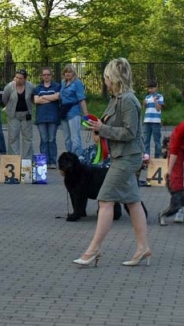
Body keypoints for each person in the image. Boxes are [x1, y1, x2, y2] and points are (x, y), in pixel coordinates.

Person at [74, 58, 150, 267]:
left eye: (107, 77)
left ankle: (93, 250)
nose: (105, 81)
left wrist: (103, 129)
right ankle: (143, 248)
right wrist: (97, 127)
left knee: (105, 200)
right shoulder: (117, 99)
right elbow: (107, 123)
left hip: (127, 157)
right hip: (121, 155)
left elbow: (130, 132)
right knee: (133, 202)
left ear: (115, 78)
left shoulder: (127, 100)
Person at [2, 69, 34, 160]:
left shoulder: (31, 86)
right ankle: (14, 160)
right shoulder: (9, 87)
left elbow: (33, 99)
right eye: (16, 78)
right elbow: (5, 99)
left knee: (28, 138)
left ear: (25, 79)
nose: (18, 80)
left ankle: (27, 160)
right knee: (13, 138)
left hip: (26, 115)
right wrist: (10, 107)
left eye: (20, 78)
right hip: (13, 115)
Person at [33, 67, 60, 169]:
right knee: (44, 140)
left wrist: (43, 97)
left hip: (53, 117)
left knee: (51, 139)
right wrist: (51, 98)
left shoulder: (57, 86)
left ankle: (53, 161)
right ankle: (44, 162)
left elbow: (57, 97)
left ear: (51, 75)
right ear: (42, 76)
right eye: (44, 75)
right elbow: (36, 101)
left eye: (48, 74)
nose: (46, 76)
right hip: (41, 118)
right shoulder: (38, 88)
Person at [60, 64, 88, 157]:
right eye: (66, 72)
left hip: (74, 112)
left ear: (73, 73)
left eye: (70, 72)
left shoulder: (77, 83)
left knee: (75, 139)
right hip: (64, 112)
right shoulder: (63, 82)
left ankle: (78, 160)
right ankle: (70, 158)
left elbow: (81, 99)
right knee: (67, 139)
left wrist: (86, 115)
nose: (68, 74)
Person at [143, 80, 164, 158]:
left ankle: (157, 157)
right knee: (146, 140)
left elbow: (159, 108)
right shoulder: (147, 97)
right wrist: (144, 103)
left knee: (157, 140)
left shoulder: (160, 96)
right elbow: (145, 108)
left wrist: (155, 101)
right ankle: (146, 157)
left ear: (156, 87)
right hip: (147, 120)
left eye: (152, 88)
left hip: (156, 121)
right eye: (149, 88)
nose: (150, 90)